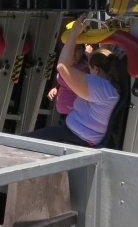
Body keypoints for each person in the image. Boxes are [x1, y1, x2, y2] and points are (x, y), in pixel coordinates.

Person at [27, 14, 122, 147]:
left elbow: (62, 67)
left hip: (76, 138)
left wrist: (74, 33)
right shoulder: (110, 87)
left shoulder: (101, 89)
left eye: (90, 68)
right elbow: (105, 58)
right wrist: (106, 34)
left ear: (96, 69)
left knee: (19, 144)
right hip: (76, 134)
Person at [47, 42, 90, 116]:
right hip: (63, 115)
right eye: (71, 48)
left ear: (83, 51)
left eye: (78, 48)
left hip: (76, 115)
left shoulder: (84, 69)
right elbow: (67, 84)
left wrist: (89, 55)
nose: (74, 52)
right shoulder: (65, 64)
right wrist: (57, 88)